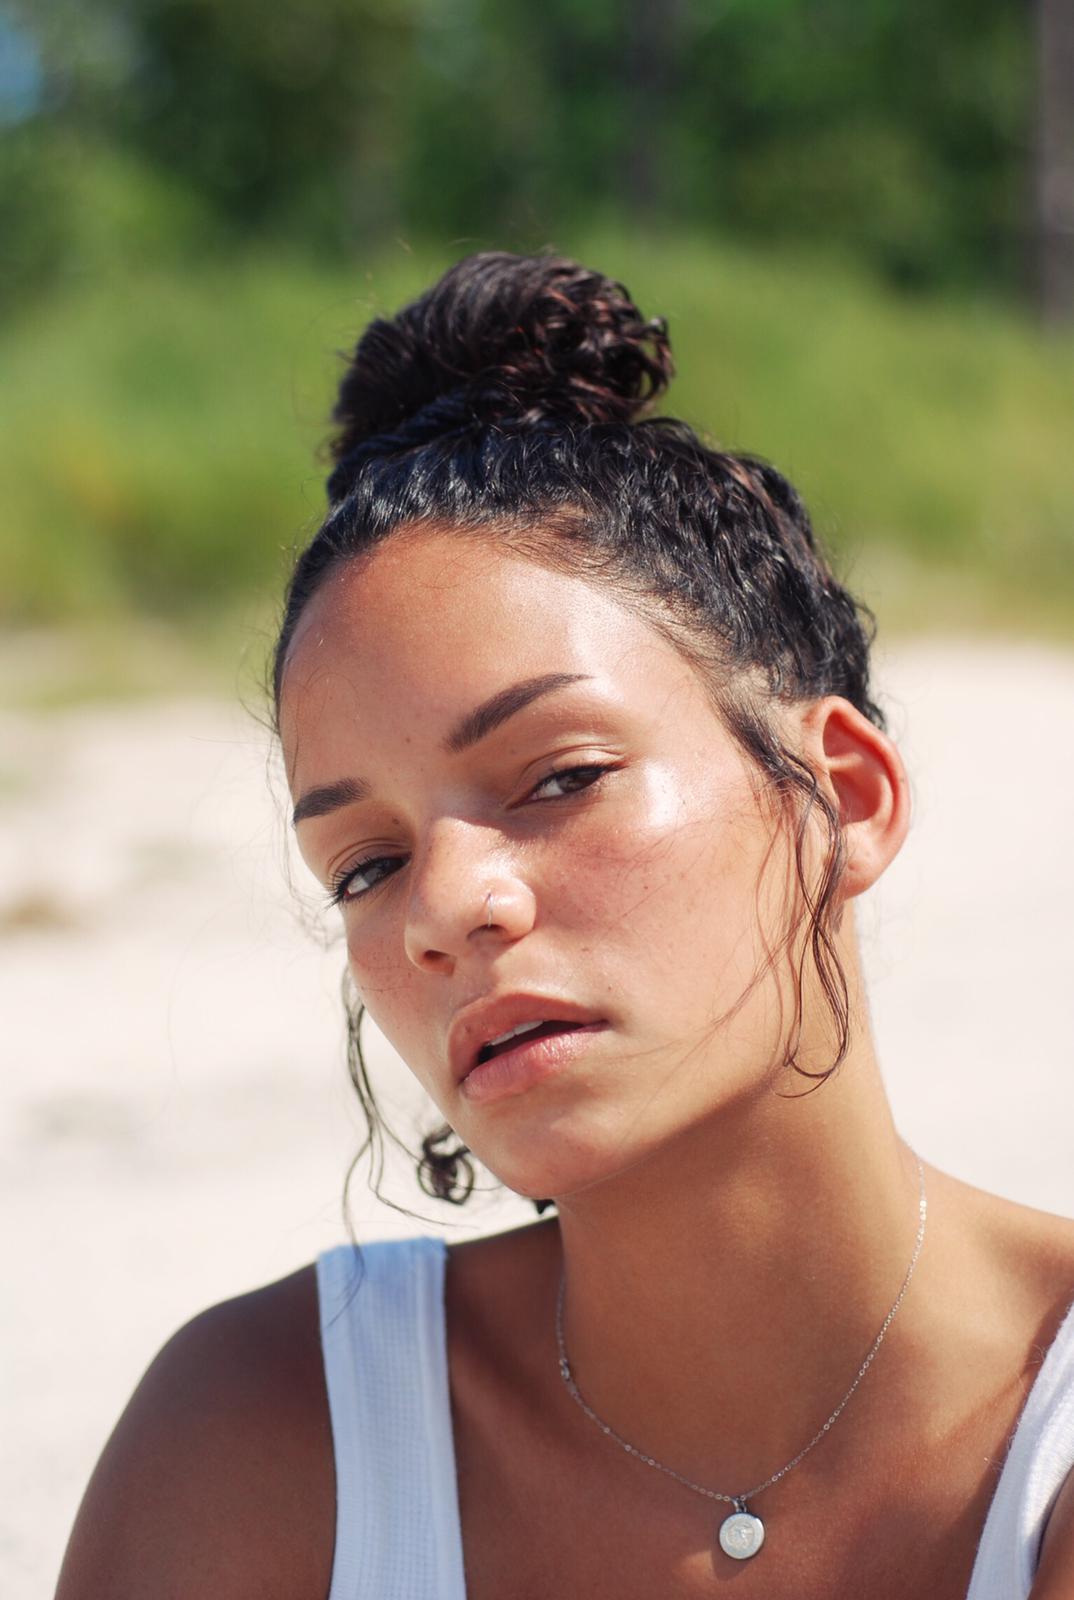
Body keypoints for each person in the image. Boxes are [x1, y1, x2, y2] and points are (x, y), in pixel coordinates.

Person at [56, 252, 1074, 1600]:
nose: (447, 908)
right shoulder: (259, 1444)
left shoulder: (1039, 1438)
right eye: (364, 864)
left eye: (557, 778)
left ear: (843, 797)